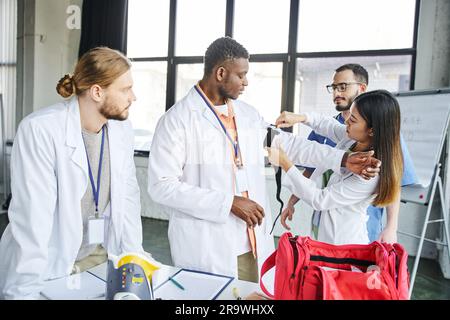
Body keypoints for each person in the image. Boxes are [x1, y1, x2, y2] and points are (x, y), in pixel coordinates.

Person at [147, 37, 380, 281]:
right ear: (220, 73)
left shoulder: (247, 115)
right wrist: (228, 202)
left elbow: (288, 145)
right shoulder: (177, 120)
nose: (246, 82)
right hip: (208, 243)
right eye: (241, 75)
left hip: (253, 241)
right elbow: (161, 186)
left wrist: (343, 159)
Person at [0, 47, 145, 299]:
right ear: (97, 92)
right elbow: (32, 224)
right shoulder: (41, 130)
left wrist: (135, 262)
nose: (133, 96)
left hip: (99, 257)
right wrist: (24, 292)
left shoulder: (122, 131)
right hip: (51, 264)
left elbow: (129, 200)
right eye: (125, 89)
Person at [279, 64, 417, 243]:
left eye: (352, 120)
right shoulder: (352, 137)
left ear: (372, 130)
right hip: (325, 226)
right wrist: (301, 117)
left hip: (346, 241)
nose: (347, 124)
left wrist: (284, 162)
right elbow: (326, 126)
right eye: (334, 87)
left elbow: (320, 199)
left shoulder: (370, 172)